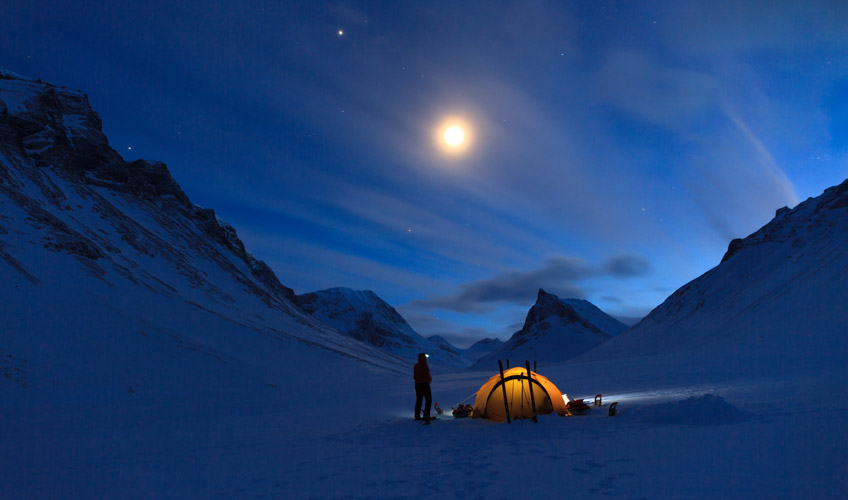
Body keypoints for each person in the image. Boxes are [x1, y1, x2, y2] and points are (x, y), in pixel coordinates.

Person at [414, 352, 432, 424]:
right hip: (424, 384)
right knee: (428, 400)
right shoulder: (424, 365)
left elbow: (415, 376)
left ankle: (417, 415)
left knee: (419, 400)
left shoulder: (416, 366)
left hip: (417, 385)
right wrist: (429, 379)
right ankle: (426, 415)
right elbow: (427, 375)